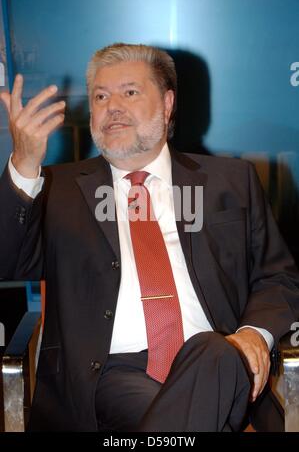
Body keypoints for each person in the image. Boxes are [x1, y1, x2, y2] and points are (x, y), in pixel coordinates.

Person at [0, 43, 298, 432]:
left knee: (211, 351)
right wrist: (23, 165)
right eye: (101, 96)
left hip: (224, 360)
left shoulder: (230, 182)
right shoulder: (58, 189)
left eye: (130, 91)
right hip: (109, 374)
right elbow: (7, 260)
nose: (113, 106)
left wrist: (253, 335)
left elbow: (279, 278)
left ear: (168, 103)